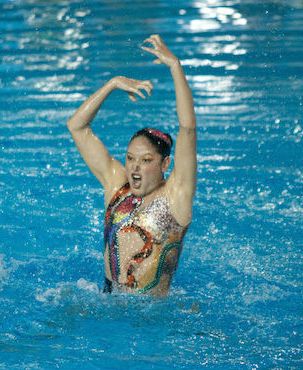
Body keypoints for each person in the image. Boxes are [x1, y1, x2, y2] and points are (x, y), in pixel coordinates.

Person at [66, 35, 196, 295]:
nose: (134, 167)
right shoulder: (117, 185)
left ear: (165, 164)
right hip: (107, 303)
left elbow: (188, 129)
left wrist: (175, 67)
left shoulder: (176, 196)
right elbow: (76, 127)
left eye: (146, 160)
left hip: (152, 318)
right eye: (130, 158)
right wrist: (112, 84)